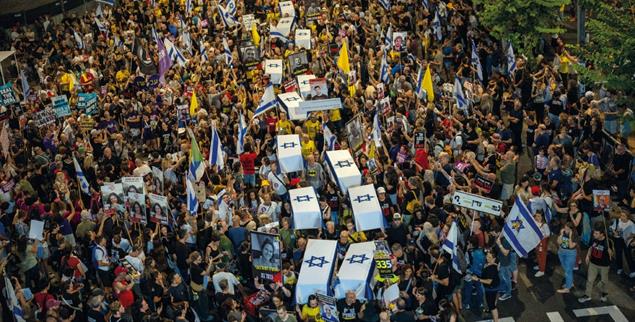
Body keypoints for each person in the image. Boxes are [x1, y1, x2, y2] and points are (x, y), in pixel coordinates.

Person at [579, 222, 612, 303]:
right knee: (590, 280)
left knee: (604, 281)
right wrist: (588, 255)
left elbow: (611, 255)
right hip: (593, 263)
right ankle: (587, 295)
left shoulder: (608, 242)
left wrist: (610, 252)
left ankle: (604, 293)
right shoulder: (594, 238)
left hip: (604, 265)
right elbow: (591, 247)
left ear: (602, 234)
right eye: (594, 232)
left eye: (596, 233)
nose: (594, 234)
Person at [557, 222, 579, 293]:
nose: (565, 230)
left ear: (571, 229)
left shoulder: (575, 234)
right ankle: (570, 282)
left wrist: (570, 236)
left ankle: (567, 288)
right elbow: (559, 242)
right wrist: (561, 234)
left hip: (570, 254)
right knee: (566, 269)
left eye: (567, 229)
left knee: (568, 271)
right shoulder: (563, 232)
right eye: (565, 228)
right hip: (561, 252)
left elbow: (571, 246)